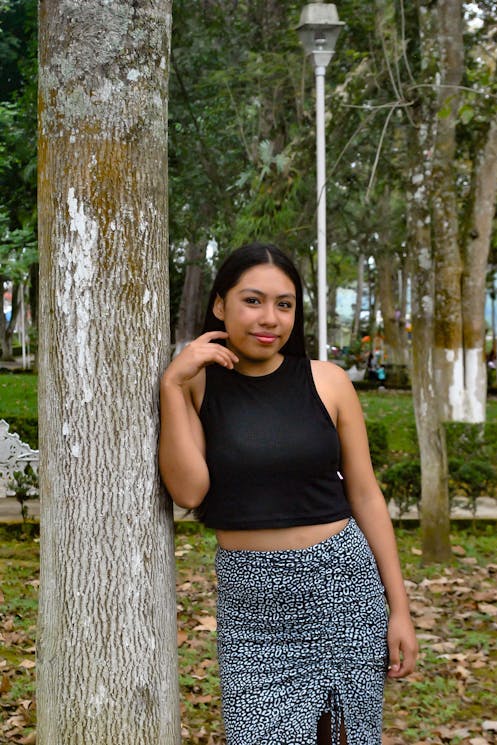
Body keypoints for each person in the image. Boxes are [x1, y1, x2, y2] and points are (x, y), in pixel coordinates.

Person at [159, 243, 418, 745]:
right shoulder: (196, 386)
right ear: (220, 305)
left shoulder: (329, 382)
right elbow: (190, 490)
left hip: (341, 590)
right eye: (252, 301)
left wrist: (400, 608)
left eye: (284, 304)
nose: (270, 318)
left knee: (340, 737)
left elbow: (365, 495)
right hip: (250, 605)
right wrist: (172, 383)